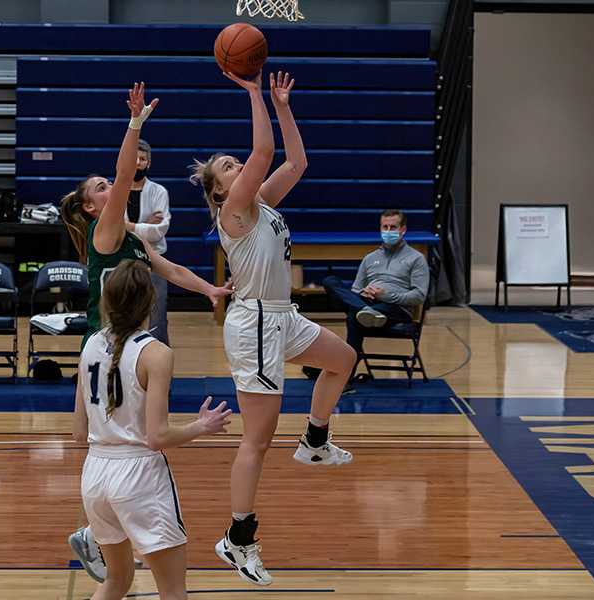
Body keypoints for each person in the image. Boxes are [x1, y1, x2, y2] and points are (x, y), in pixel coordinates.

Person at [190, 69, 357, 587]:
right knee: (257, 440)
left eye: (236, 162)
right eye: (229, 168)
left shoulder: (261, 203)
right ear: (221, 192)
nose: (239, 165)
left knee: (343, 358)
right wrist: (255, 93)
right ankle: (237, 540)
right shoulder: (235, 211)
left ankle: (314, 439)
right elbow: (263, 155)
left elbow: (296, 161)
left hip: (281, 315)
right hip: (255, 324)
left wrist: (283, 105)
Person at [62, 82, 232, 583]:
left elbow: (172, 269)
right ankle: (98, 527)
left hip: (123, 343)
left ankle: (99, 525)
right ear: (94, 208)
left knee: (110, 435)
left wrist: (211, 290)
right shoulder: (107, 231)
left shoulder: (132, 239)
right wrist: (135, 124)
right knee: (132, 434)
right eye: (98, 189)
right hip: (109, 340)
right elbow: (122, 172)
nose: (108, 188)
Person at [73, 259, 232, 600]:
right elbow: (157, 438)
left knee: (115, 582)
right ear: (151, 301)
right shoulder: (155, 353)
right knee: (172, 591)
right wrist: (201, 426)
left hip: (94, 475)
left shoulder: (89, 346)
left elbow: (77, 431)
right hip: (138, 476)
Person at [319, 209, 429, 393]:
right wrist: (365, 293)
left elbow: (419, 296)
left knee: (355, 316)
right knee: (330, 281)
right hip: (368, 304)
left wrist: (385, 295)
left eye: (392, 227)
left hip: (396, 309)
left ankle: (347, 379)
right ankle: (364, 310)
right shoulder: (370, 258)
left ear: (403, 230)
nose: (388, 231)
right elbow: (354, 290)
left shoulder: (416, 259)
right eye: (384, 227)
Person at [125, 139, 172, 345]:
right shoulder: (115, 190)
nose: (137, 162)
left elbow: (160, 231)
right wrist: (145, 225)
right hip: (124, 260)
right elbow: (113, 227)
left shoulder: (159, 192)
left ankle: (159, 355)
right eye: (133, 158)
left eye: (142, 159)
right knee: (124, 311)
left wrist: (130, 226)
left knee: (157, 315)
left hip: (155, 262)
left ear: (148, 164)